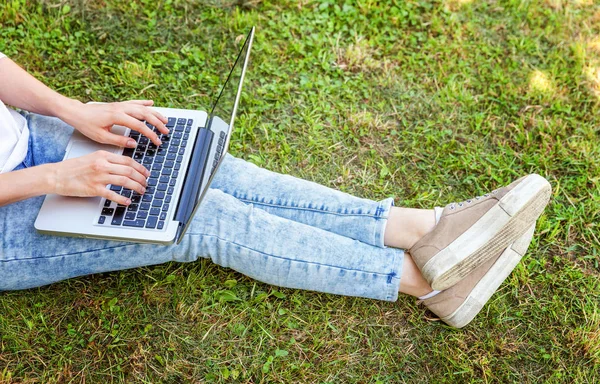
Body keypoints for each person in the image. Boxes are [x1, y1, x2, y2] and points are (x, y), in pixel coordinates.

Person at [0, 51, 551, 328]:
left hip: (28, 138)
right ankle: (425, 283)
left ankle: (422, 229)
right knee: (200, 218)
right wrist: (53, 179)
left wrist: (69, 111)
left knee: (199, 163)